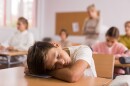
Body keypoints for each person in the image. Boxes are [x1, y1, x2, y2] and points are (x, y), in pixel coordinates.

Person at [27, 41, 97, 82]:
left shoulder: (83, 49)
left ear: (56, 45)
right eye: (54, 66)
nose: (62, 62)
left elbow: (73, 75)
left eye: (58, 56)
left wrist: (46, 72)